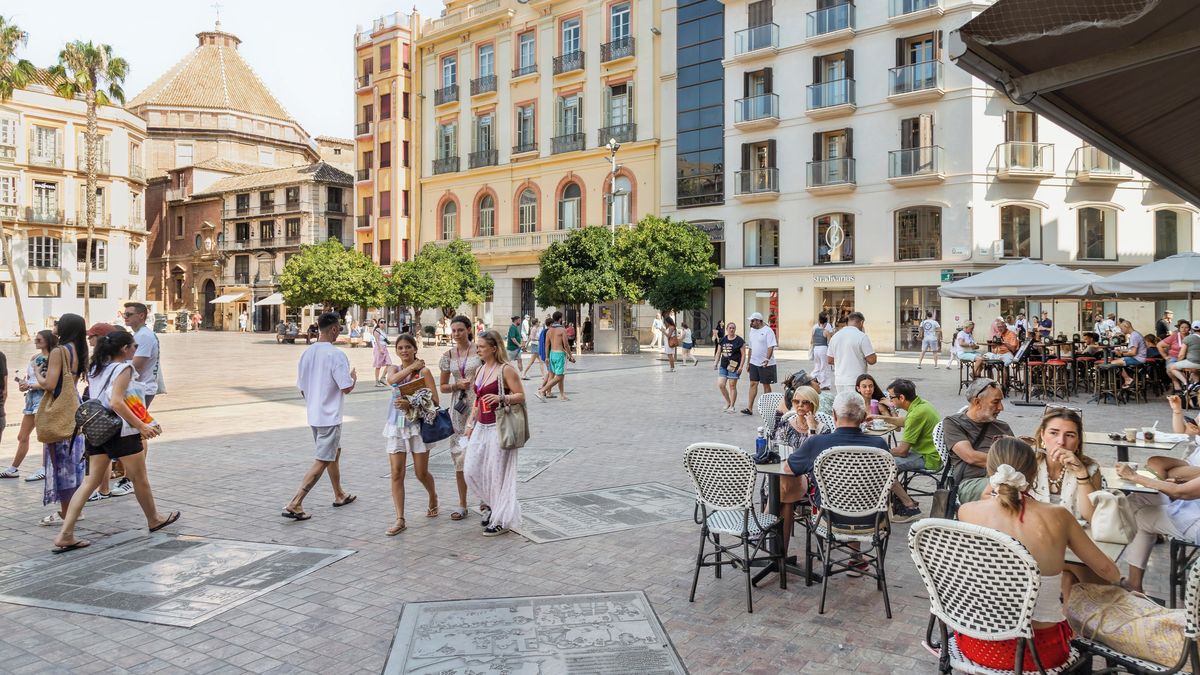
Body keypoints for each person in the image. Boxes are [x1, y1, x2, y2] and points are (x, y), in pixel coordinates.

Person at [956, 438, 1121, 671]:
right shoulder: (1058, 516)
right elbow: (1108, 571)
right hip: (1039, 653)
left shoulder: (966, 511)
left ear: (989, 472)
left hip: (975, 644)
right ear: (1034, 475)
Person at [52, 330, 179, 553]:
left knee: (89, 482)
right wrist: (141, 426)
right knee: (139, 478)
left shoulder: (96, 368)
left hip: (97, 429)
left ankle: (66, 533)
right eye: (133, 346)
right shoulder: (123, 369)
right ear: (124, 348)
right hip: (120, 430)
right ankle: (154, 519)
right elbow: (117, 402)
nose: (136, 350)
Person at [782, 391, 890, 575]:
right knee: (856, 491)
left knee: (840, 494)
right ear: (864, 417)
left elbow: (788, 469)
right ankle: (856, 557)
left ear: (833, 414)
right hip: (872, 519)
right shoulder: (879, 445)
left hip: (829, 518)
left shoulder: (817, 443)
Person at [282, 312, 358, 521]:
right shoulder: (336, 355)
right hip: (330, 416)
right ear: (333, 329)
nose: (339, 332)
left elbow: (301, 388)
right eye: (339, 328)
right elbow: (345, 387)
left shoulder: (307, 353)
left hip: (314, 414)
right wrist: (353, 378)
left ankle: (339, 494)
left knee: (334, 452)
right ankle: (296, 502)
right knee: (323, 458)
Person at [463, 330, 525, 536]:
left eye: (481, 346)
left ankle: (501, 519)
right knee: (471, 470)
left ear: (494, 348)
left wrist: (502, 398)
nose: (478, 349)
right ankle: (493, 505)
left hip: (500, 427)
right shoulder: (481, 369)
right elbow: (477, 399)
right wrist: (470, 424)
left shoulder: (506, 369)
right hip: (481, 426)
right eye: (477, 346)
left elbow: (520, 396)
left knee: (498, 474)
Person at [30, 314, 88, 527]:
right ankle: (74, 509)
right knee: (73, 462)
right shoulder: (78, 349)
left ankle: (67, 513)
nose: (54, 325)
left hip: (59, 409)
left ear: (65, 327)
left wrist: (37, 372)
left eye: (58, 323)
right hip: (73, 407)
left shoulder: (59, 351)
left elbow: (49, 384)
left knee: (62, 464)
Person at [382, 334, 439, 536]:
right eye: (400, 348)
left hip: (417, 426)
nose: (404, 351)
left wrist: (411, 403)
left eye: (408, 347)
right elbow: (391, 380)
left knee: (420, 472)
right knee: (396, 472)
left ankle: (433, 495)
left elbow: (435, 400)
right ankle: (400, 518)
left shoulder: (424, 372)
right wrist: (411, 367)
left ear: (415, 348)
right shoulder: (394, 369)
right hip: (396, 425)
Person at [943, 378, 1015, 504]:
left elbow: (1016, 454)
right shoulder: (953, 423)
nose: (1001, 408)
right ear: (977, 402)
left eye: (1001, 402)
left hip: (1005, 477)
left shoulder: (1002, 426)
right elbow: (971, 457)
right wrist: (1010, 463)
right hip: (971, 481)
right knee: (1009, 491)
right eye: (995, 402)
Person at [439, 315, 482, 522]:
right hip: (458, 407)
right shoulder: (448, 355)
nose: (456, 334)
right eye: (453, 330)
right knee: (459, 455)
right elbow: (443, 387)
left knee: (480, 452)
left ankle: (485, 500)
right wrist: (457, 385)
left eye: (460, 330)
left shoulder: (480, 350)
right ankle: (462, 503)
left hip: (479, 405)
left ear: (469, 329)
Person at [1027, 407, 1100, 522]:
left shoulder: (1090, 470)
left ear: (1078, 441)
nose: (1061, 441)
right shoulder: (1025, 464)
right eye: (1053, 433)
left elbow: (1093, 518)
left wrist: (1081, 473)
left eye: (1070, 435)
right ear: (1042, 434)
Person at [882, 379, 940, 522]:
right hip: (930, 451)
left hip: (928, 457)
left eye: (891, 397)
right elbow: (905, 421)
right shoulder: (921, 404)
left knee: (883, 466)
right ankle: (896, 498)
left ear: (901, 398)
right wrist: (880, 418)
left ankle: (910, 507)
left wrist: (880, 450)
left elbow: (902, 451)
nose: (890, 400)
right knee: (886, 461)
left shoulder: (916, 414)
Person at [2, 331, 56, 479]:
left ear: (48, 340)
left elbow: (50, 383)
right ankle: (13, 469)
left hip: (43, 398)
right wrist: (23, 385)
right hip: (31, 398)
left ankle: (45, 468)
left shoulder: (53, 358)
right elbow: (29, 378)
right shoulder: (34, 357)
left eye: (39, 339)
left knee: (44, 436)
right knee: (22, 436)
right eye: (36, 338)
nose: (35, 341)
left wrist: (30, 385)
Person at [122, 302, 161, 484]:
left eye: (129, 314)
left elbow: (137, 365)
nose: (125, 317)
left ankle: (133, 476)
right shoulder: (140, 334)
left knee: (137, 431)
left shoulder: (144, 336)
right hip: (138, 388)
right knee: (135, 430)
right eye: (124, 314)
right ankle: (131, 474)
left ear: (141, 316)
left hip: (140, 389)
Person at [826, 311, 876, 395]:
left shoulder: (835, 336)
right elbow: (872, 360)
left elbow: (829, 360)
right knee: (856, 403)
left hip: (840, 381)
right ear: (861, 322)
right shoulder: (862, 336)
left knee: (843, 403)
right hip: (856, 380)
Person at [742, 312, 777, 415]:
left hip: (766, 363)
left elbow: (771, 346)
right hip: (754, 362)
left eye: (753, 321)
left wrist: (767, 359)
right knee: (753, 383)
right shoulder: (752, 331)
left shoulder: (768, 331)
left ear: (759, 321)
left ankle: (768, 409)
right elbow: (751, 348)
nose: (751, 323)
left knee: (766, 385)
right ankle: (749, 408)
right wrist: (748, 362)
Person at [536, 311, 575, 401]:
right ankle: (542, 390)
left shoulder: (549, 330)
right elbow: (566, 345)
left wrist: (547, 357)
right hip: (559, 354)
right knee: (559, 376)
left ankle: (562, 395)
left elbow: (546, 345)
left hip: (552, 354)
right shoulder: (562, 330)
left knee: (560, 375)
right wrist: (570, 355)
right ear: (560, 319)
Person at [714, 322, 747, 414]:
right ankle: (728, 402)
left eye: (733, 328)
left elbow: (743, 355)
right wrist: (716, 363)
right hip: (724, 365)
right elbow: (718, 352)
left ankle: (732, 406)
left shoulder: (739, 340)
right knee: (721, 384)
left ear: (735, 329)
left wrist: (741, 366)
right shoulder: (723, 340)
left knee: (732, 386)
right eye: (730, 328)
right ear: (727, 329)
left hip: (734, 365)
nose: (731, 329)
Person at [1167, 320, 1200, 393]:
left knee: (1172, 367)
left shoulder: (1188, 338)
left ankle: (1187, 384)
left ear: (1191, 329)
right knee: (1195, 371)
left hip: (1193, 362)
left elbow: (1181, 355)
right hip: (1197, 365)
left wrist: (1178, 362)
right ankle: (1196, 385)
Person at [1113, 319, 1147, 389]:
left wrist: (1121, 354)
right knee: (1116, 360)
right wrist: (1122, 351)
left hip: (1138, 359)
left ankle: (1127, 379)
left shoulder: (1134, 336)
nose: (1121, 330)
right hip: (1139, 357)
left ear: (1126, 326)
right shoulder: (1135, 334)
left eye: (1122, 328)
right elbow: (1131, 350)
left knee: (1113, 363)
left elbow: (1133, 353)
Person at [810, 313, 833, 388]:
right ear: (826, 323)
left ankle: (811, 378)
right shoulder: (826, 331)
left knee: (817, 366)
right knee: (825, 367)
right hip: (823, 349)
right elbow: (830, 343)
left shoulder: (814, 330)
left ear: (819, 321)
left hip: (816, 349)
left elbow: (812, 341)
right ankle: (823, 383)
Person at [372, 319, 391, 386]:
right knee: (378, 365)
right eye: (381, 322)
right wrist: (380, 349)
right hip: (379, 348)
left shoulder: (383, 331)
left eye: (384, 322)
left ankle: (383, 377)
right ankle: (377, 381)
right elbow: (377, 340)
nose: (383, 323)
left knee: (389, 363)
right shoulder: (377, 330)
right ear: (378, 323)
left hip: (385, 348)